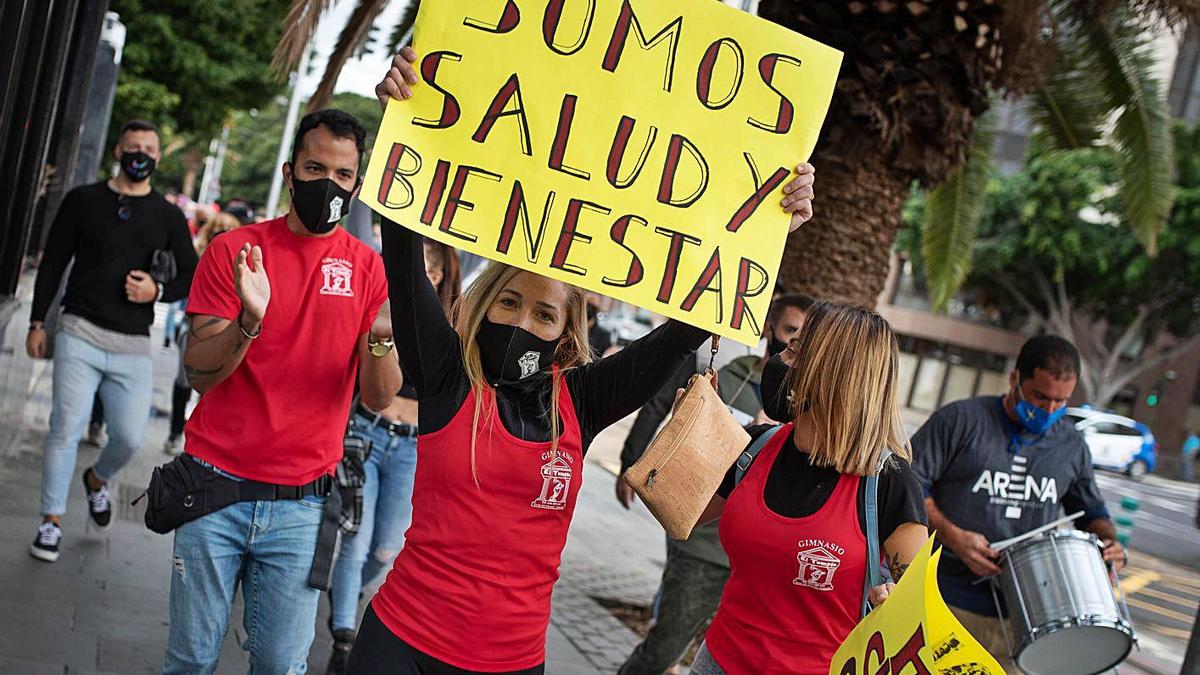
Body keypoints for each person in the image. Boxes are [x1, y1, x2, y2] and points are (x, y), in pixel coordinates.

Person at [343, 48, 816, 675]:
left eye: (544, 315)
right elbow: (401, 249)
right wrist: (398, 124)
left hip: (510, 662)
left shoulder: (581, 400)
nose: (521, 322)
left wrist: (767, 228)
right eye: (509, 302)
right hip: (400, 644)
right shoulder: (445, 373)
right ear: (483, 307)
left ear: (568, 333)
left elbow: (687, 328)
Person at [161, 109, 403, 674]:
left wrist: (379, 344)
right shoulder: (236, 252)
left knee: (279, 665)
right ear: (291, 174)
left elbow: (379, 399)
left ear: (357, 185)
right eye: (316, 168)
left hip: (302, 504)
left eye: (343, 175)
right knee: (190, 660)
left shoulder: (369, 271)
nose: (328, 184)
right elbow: (198, 371)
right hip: (212, 488)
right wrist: (249, 320)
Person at [689, 302, 928, 674]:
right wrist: (692, 430)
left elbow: (920, 608)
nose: (777, 359)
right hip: (720, 662)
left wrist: (896, 601)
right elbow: (680, 515)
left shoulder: (889, 481)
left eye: (794, 350)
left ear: (830, 373)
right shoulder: (753, 447)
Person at [26, 119, 198, 563]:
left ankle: (98, 480)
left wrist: (156, 291)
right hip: (79, 330)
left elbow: (190, 275)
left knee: (128, 437)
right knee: (65, 428)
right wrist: (36, 324)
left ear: (159, 158)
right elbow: (52, 265)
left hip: (132, 343)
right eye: (133, 146)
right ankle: (50, 521)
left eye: (149, 148)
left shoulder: (168, 216)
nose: (140, 154)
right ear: (118, 150)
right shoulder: (83, 201)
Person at [615, 294, 814, 675]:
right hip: (706, 543)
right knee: (664, 650)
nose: (793, 344)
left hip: (762, 556)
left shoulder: (812, 404)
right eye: (790, 332)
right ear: (770, 329)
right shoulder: (736, 377)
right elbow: (693, 439)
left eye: (804, 338)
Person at [911, 334, 1126, 672]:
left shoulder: (1071, 445)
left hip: (1025, 617)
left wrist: (1109, 542)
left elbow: (1093, 513)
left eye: (1061, 401)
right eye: (1040, 397)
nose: (1049, 410)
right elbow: (909, 485)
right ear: (1015, 379)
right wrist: (953, 535)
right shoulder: (960, 420)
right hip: (943, 598)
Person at [325, 238, 461, 675]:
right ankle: (344, 635)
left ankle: (344, 594)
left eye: (425, 265)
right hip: (366, 433)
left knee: (384, 550)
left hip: (413, 447)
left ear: (438, 275)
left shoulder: (450, 325)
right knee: (355, 541)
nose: (409, 268)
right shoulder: (377, 303)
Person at [163, 212, 246, 456]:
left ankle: (198, 432)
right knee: (184, 380)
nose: (223, 231)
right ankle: (175, 431)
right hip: (191, 327)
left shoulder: (242, 260)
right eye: (219, 227)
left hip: (226, 330)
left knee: (212, 385)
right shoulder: (199, 256)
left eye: (229, 228)